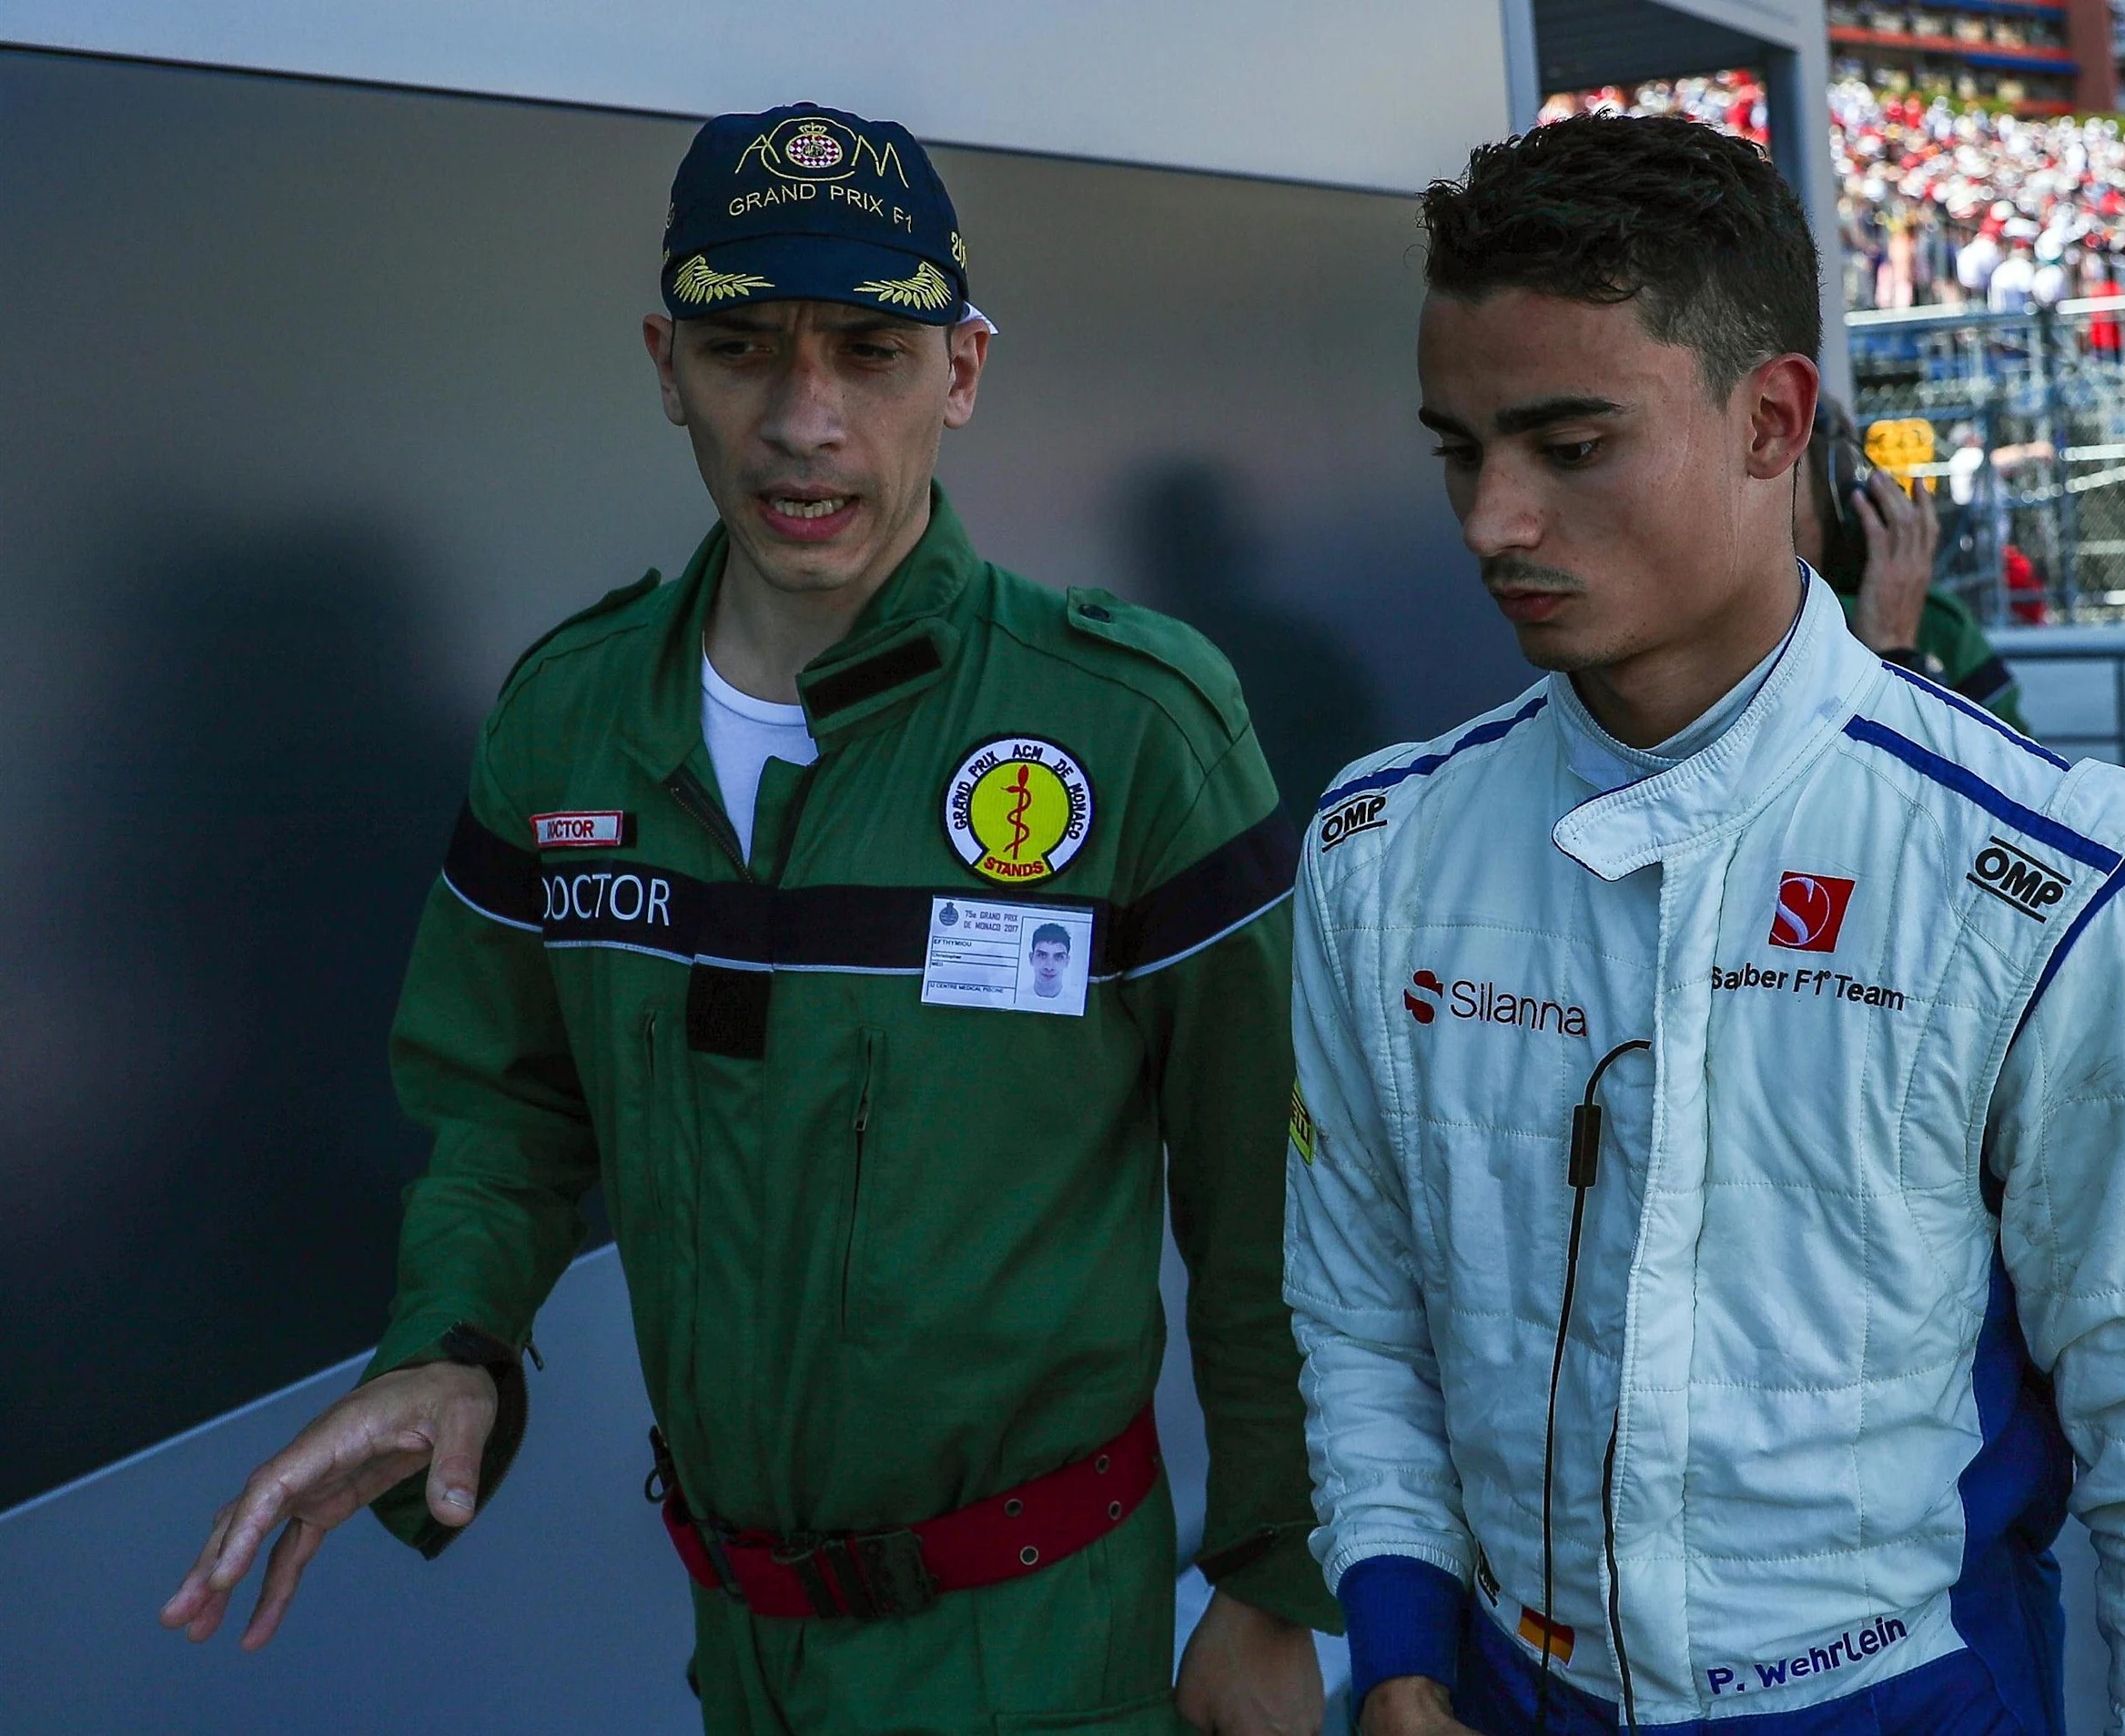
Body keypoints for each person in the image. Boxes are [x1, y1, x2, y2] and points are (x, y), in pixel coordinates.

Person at [157, 103, 1336, 1733]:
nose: (804, 420)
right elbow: (503, 1104)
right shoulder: (565, 723)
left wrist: (1276, 1576)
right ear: (662, 363)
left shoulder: (1132, 724)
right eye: (739, 351)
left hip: (1052, 1651)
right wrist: (450, 1341)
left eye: (870, 351)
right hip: (743, 1653)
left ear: (964, 371)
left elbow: (1268, 1185)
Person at [1287, 115, 2125, 1736]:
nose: (1491, 521)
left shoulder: (2047, 877)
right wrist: (1401, 1649)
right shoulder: (1377, 846)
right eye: (1456, 450)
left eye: (1566, 445)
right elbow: (1359, 1301)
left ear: (1773, 421)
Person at [1796, 399, 2031, 731]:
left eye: (1787, 534)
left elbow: (2008, 769)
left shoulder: (1934, 624)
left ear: (1853, 521)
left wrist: (1895, 655)